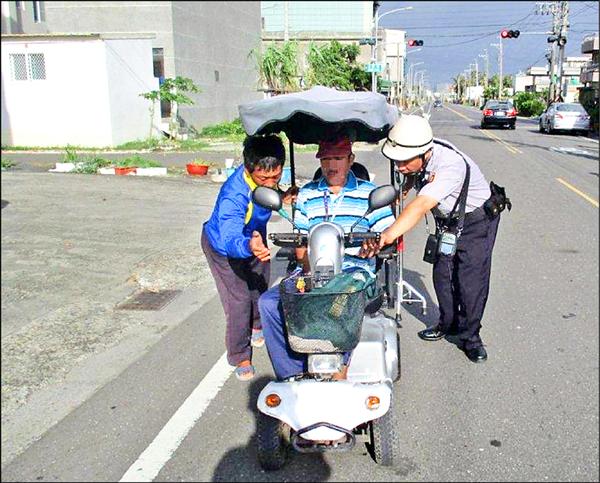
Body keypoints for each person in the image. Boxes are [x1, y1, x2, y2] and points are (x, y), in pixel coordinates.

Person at [360, 114, 507, 363]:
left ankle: (471, 338)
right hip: (448, 224)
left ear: (423, 154)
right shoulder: (420, 148)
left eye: (404, 162)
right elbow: (411, 178)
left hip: (476, 224)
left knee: (470, 285)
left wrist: (387, 235)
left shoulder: (450, 166)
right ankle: (447, 324)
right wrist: (403, 191)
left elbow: (419, 207)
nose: (399, 167)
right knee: (443, 277)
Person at [258, 137, 396, 381]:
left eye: (338, 159)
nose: (331, 166)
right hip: (314, 269)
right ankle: (292, 374)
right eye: (326, 159)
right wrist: (307, 270)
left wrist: (375, 243)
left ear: (351, 160)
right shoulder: (308, 194)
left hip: (355, 273)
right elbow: (300, 244)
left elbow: (387, 235)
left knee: (338, 300)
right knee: (269, 303)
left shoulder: (368, 193)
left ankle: (339, 368)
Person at [201, 135, 297, 381]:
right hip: (224, 246)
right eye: (264, 178)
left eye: (276, 177)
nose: (271, 182)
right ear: (247, 169)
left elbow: (268, 198)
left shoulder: (269, 181)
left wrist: (283, 196)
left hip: (255, 237)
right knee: (239, 299)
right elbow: (231, 237)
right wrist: (249, 246)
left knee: (260, 284)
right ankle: (239, 354)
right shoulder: (234, 196)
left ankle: (257, 325)